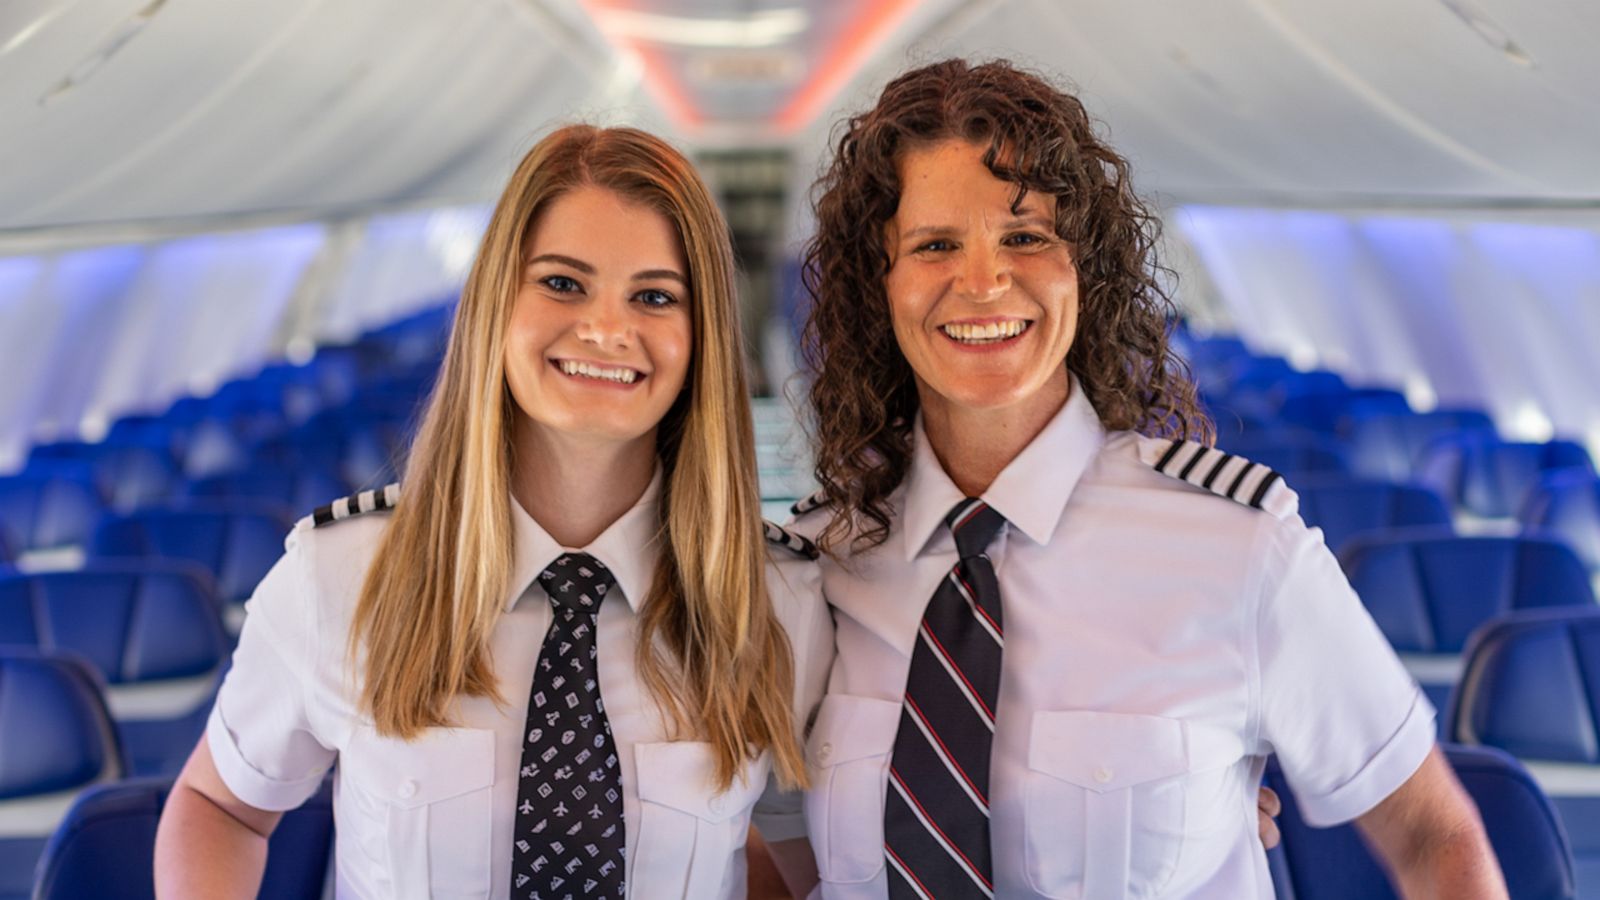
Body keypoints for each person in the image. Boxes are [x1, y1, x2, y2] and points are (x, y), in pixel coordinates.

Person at [791, 59, 1506, 899]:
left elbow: (1433, 836)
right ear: (883, 285)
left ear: (1083, 269)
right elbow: (772, 859)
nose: (982, 281)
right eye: (935, 244)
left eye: (1025, 237)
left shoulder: (1238, 546)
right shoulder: (820, 565)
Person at [153, 124, 832, 899]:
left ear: (702, 334)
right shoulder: (340, 577)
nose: (607, 329)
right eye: (562, 283)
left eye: (654, 296)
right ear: (494, 306)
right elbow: (220, 807)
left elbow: (806, 862)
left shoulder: (777, 600)